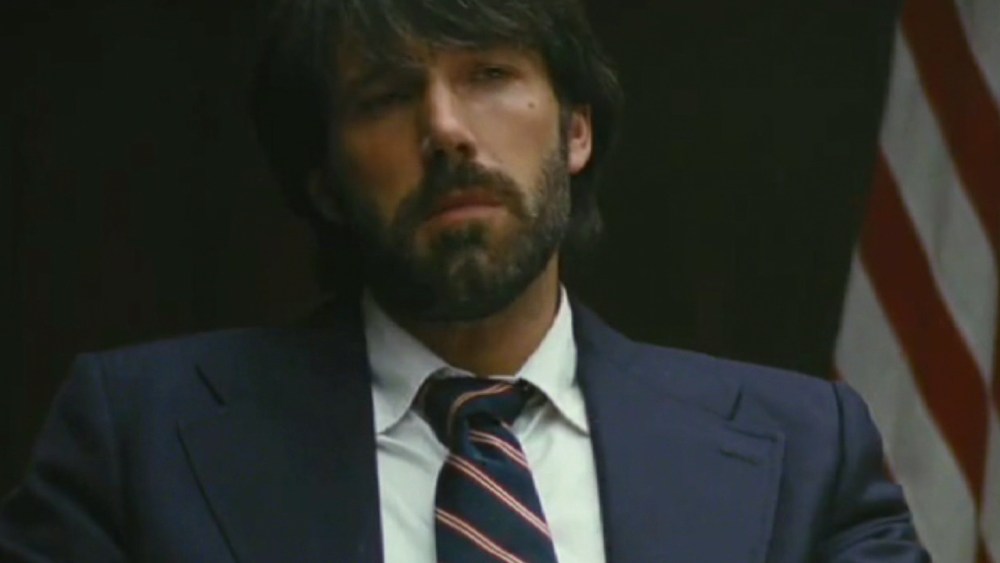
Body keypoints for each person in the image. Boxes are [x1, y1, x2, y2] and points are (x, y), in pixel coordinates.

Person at [1, 0, 928, 561]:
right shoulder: (139, 440)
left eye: (488, 74)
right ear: (323, 180)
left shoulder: (802, 451)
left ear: (575, 129)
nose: (444, 128)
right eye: (385, 95)